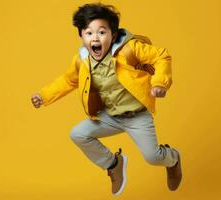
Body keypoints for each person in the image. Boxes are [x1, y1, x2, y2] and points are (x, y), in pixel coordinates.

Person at [31, 3, 182, 196]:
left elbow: (161, 56)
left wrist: (159, 83)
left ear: (112, 34)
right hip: (110, 116)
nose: (95, 38)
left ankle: (173, 158)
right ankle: (113, 163)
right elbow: (68, 80)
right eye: (88, 33)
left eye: (102, 32)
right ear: (81, 36)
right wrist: (43, 96)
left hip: (137, 116)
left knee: (153, 157)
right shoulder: (82, 61)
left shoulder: (128, 49)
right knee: (78, 134)